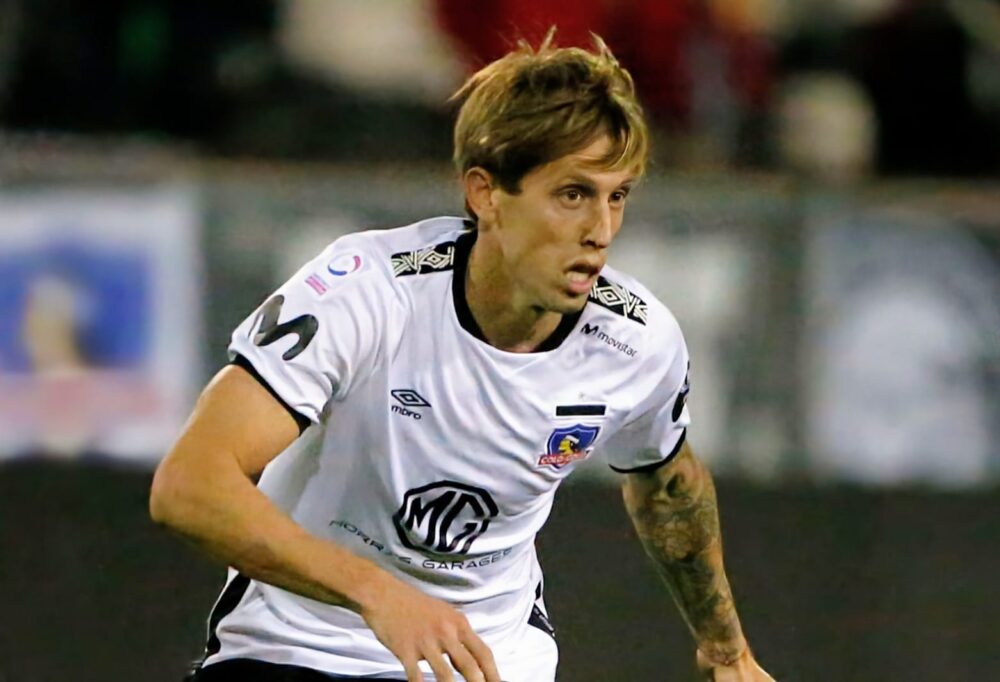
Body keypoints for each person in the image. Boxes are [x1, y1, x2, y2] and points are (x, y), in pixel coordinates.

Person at [150, 31, 773, 682]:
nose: (601, 230)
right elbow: (191, 485)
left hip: (488, 661)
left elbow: (667, 483)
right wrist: (377, 592)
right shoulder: (363, 292)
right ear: (485, 194)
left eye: (616, 196)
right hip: (298, 649)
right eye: (572, 194)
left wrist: (726, 651)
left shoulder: (636, 343)